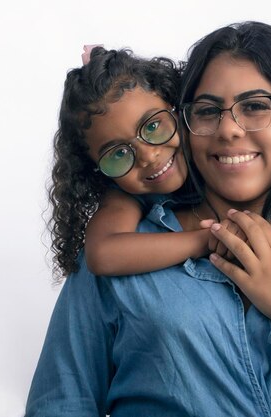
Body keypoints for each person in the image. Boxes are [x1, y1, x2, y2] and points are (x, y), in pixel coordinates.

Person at [26, 22, 271, 416]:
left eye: (254, 106)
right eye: (207, 111)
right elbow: (61, 403)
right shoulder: (122, 255)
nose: (229, 129)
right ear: (184, 119)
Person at [49, 45, 233, 281]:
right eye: (118, 153)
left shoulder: (217, 152)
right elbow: (103, 254)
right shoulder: (124, 196)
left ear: (176, 107)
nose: (147, 157)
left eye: (153, 127)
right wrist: (203, 240)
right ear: (94, 169)